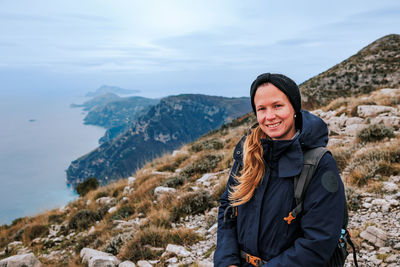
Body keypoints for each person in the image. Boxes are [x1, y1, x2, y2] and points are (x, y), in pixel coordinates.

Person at [214, 73, 345, 266]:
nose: (269, 116)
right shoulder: (248, 153)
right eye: (261, 109)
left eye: (277, 106)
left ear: (294, 107)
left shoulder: (319, 163)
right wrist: (227, 262)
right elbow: (228, 208)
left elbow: (318, 241)